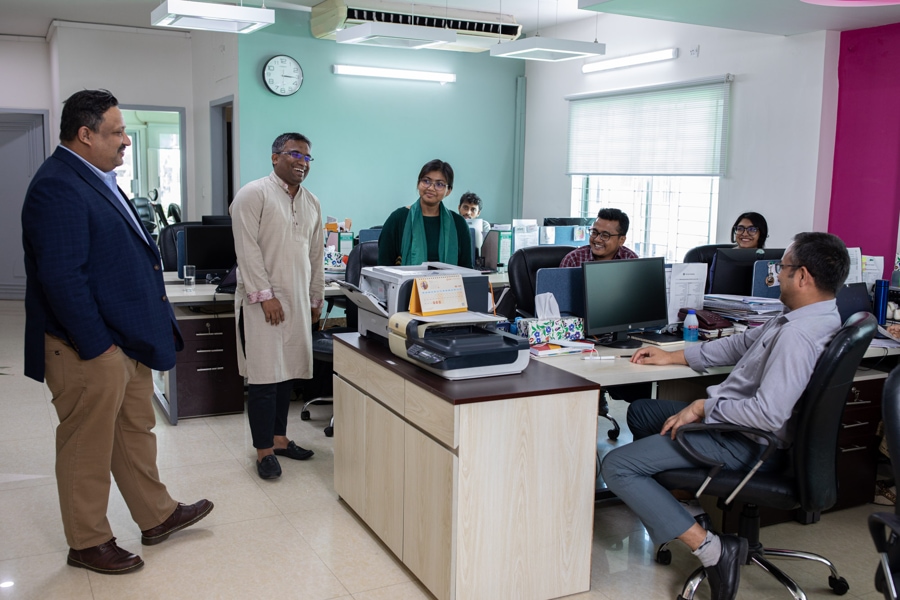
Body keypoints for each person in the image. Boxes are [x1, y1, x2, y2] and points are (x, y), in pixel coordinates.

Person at [21, 89, 213, 575]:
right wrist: (98, 347)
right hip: (86, 345)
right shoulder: (57, 185)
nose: (126, 141)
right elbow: (63, 277)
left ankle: (157, 515)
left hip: (122, 338)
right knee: (87, 444)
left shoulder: (97, 178)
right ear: (84, 135)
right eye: (117, 132)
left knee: (133, 433)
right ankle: (87, 541)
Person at [600, 231, 850, 600]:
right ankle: (682, 512)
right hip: (743, 428)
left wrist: (703, 407)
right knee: (642, 411)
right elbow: (740, 343)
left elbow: (766, 414)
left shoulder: (798, 336)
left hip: (746, 441)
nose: (776, 276)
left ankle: (714, 549)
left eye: (781, 269)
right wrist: (674, 356)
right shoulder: (812, 315)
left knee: (617, 466)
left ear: (803, 276)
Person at [231, 132, 323, 480]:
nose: (301, 162)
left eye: (307, 157)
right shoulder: (253, 194)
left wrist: (315, 299)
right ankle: (264, 451)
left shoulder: (312, 202)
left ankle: (281, 439)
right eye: (294, 155)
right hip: (263, 302)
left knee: (288, 374)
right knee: (265, 377)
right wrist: (264, 295)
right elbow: (247, 249)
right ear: (275, 158)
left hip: (298, 298)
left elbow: (314, 255)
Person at [377, 159, 473, 268]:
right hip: (405, 284)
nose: (431, 188)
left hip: (449, 285)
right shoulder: (398, 219)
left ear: (449, 191)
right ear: (418, 184)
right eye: (426, 181)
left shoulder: (458, 224)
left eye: (439, 184)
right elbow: (383, 267)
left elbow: (467, 269)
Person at [559, 207, 638, 267]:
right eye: (594, 232)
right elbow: (559, 288)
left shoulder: (631, 260)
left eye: (605, 235)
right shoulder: (573, 260)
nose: (597, 239)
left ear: (621, 240)